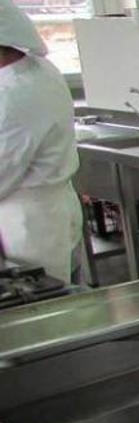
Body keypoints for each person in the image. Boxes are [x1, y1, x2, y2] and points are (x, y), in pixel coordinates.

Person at [0, 0, 82, 282]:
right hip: (50, 209)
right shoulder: (38, 70)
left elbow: (2, 173)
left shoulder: (15, 95)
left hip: (31, 225)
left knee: (40, 303)